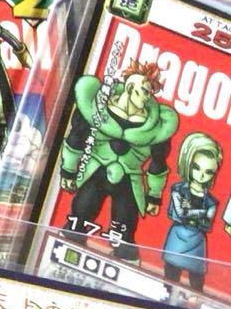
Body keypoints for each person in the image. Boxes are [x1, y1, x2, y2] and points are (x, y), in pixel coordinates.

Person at [60, 60, 179, 261]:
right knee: (80, 212)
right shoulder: (98, 105)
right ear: (130, 87)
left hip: (129, 180)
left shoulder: (157, 126)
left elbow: (158, 163)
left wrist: (154, 196)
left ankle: (125, 262)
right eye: (144, 91)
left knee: (125, 226)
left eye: (149, 92)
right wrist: (69, 170)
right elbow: (77, 137)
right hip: (96, 170)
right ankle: (66, 253)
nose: (147, 97)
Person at [163, 132, 222, 291]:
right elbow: (179, 214)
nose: (202, 175)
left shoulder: (211, 201)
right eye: (196, 167)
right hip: (177, 238)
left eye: (208, 171)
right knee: (171, 275)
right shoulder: (178, 190)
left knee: (197, 280)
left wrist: (192, 212)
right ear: (188, 163)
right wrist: (200, 213)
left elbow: (206, 224)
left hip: (197, 241)